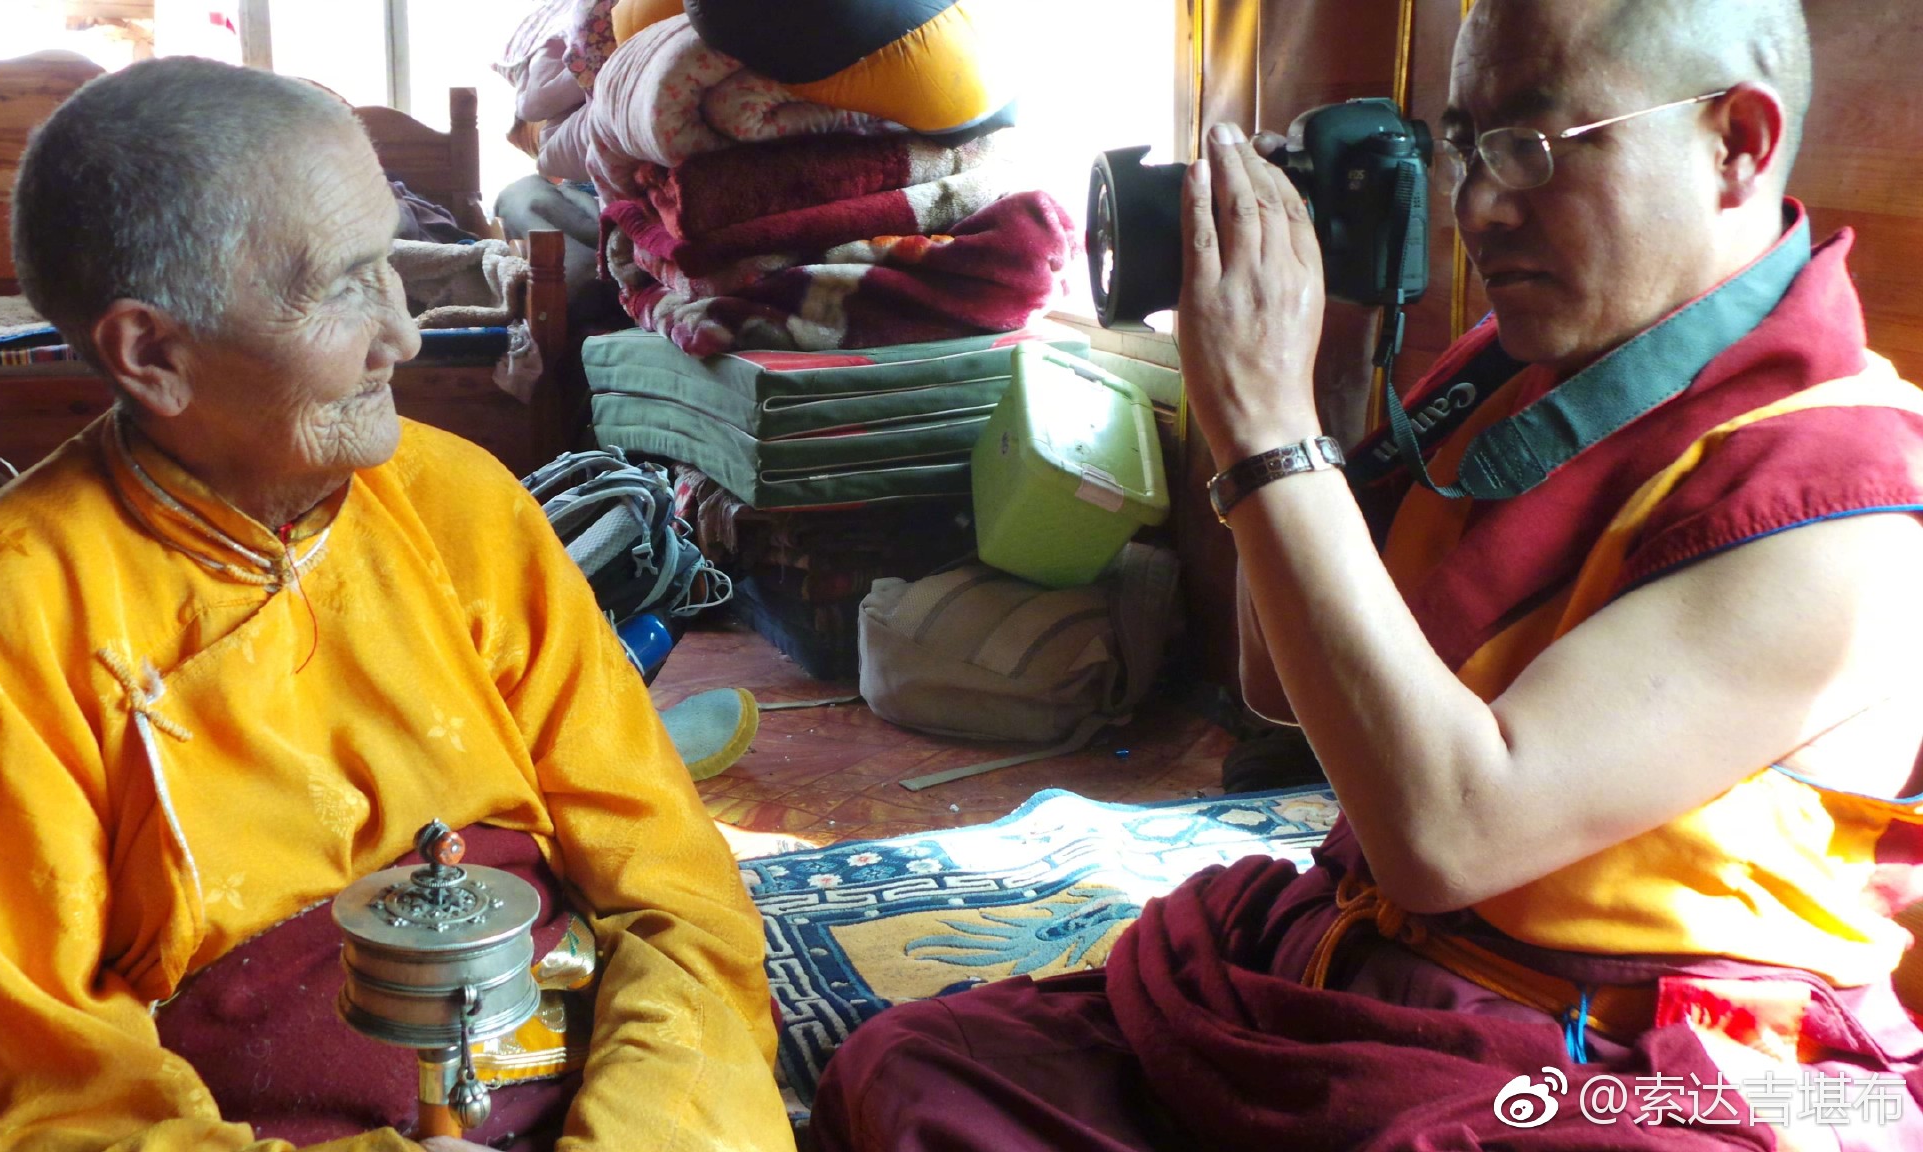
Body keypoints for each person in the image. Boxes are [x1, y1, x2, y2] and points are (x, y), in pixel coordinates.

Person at [810, 1, 1923, 1149]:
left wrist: (1265, 430)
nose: (1476, 206)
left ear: (1735, 142)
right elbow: (1279, 686)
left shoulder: (1843, 510)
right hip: (1400, 988)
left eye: (1530, 146)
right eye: (1465, 145)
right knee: (912, 1075)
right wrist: (1319, 392)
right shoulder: (1516, 378)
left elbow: (1447, 835)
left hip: (1648, 1057)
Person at [0, 58, 792, 1152]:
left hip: (568, 1065)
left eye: (392, 268)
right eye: (343, 287)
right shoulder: (15, 605)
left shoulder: (459, 501)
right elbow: (32, 1076)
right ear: (153, 352)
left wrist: (642, 1129)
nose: (402, 336)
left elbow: (675, 890)